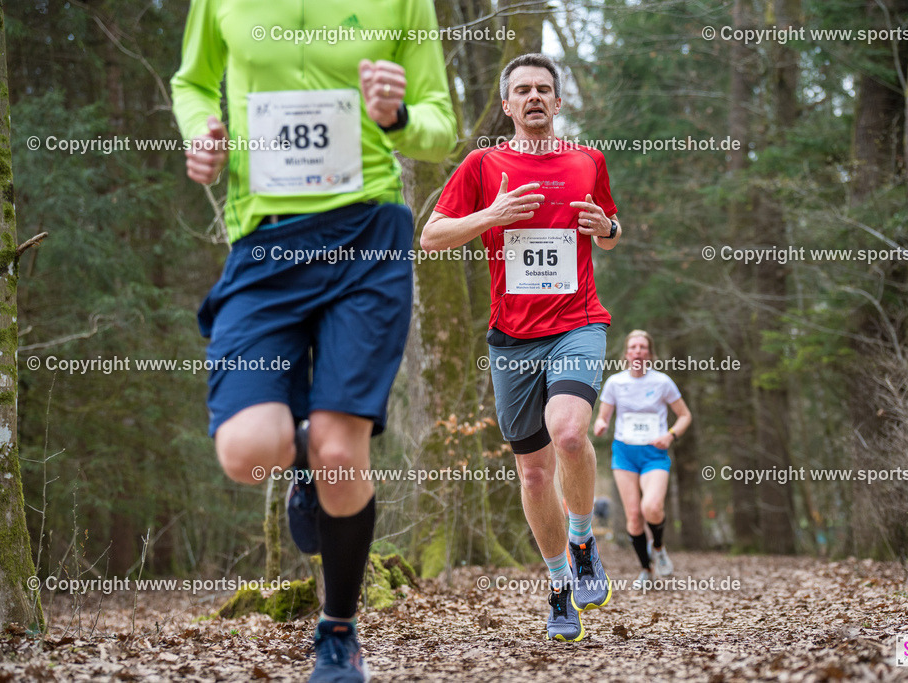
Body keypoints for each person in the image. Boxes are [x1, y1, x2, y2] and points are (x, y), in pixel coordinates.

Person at [171, 2, 455, 680]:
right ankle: (301, 462)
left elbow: (440, 127)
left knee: (339, 447)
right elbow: (189, 80)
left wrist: (399, 118)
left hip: (366, 242)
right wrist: (201, 134)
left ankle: (338, 630)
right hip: (264, 242)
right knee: (247, 451)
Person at [421, 53, 622, 642]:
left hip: (577, 322)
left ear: (558, 103)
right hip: (511, 339)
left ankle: (583, 541)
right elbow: (430, 237)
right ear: (507, 105)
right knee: (534, 475)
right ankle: (559, 582)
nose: (534, 97)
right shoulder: (483, 164)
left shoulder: (589, 160)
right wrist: (492, 215)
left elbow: (612, 230)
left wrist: (604, 228)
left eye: (544, 89)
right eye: (523, 90)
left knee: (568, 433)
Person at [593, 330, 692, 587]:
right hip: (625, 453)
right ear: (626, 354)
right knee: (635, 516)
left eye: (643, 347)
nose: (638, 351)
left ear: (650, 353)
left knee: (652, 507)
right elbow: (603, 416)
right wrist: (601, 424)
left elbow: (684, 416)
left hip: (654, 453)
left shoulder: (662, 382)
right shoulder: (615, 383)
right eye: (633, 347)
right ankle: (646, 570)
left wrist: (670, 436)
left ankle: (658, 548)